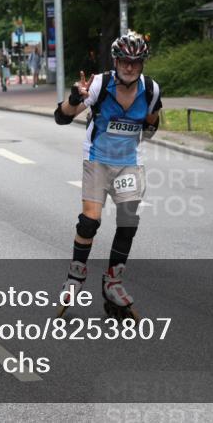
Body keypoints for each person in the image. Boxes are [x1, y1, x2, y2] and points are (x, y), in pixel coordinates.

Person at [53, 31, 162, 319]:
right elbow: (62, 117)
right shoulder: (99, 85)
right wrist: (76, 97)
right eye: (124, 61)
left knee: (128, 221)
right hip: (97, 159)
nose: (129, 67)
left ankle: (113, 281)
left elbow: (152, 126)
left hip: (129, 162)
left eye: (135, 63)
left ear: (142, 64)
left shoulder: (150, 90)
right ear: (115, 61)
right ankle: (76, 275)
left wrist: (135, 130)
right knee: (90, 220)